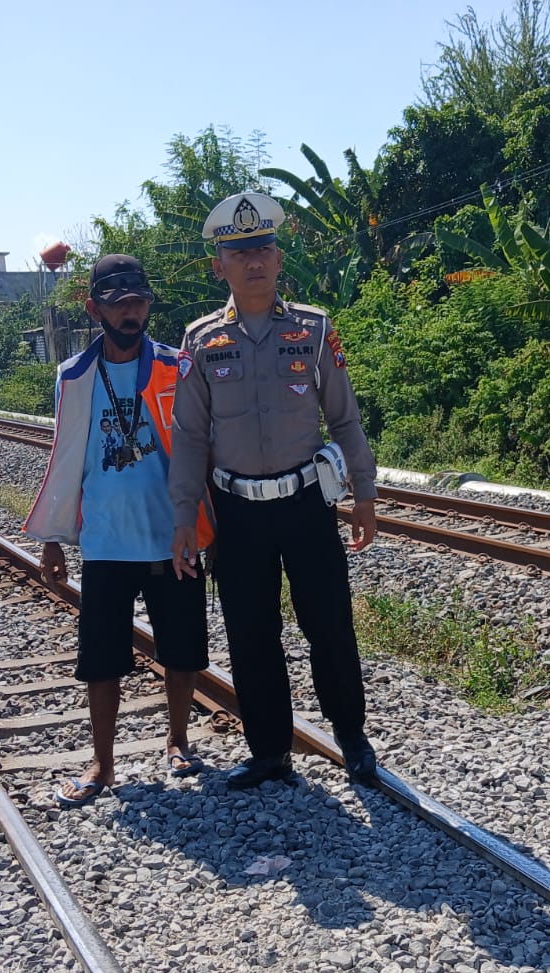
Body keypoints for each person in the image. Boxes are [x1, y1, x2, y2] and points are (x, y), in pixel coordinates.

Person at [168, 191, 381, 790]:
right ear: (220, 266)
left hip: (307, 506)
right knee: (250, 632)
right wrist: (185, 514)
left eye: (262, 248)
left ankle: (351, 737)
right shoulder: (201, 339)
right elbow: (188, 436)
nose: (253, 261)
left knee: (330, 625)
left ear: (279, 256)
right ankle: (269, 752)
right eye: (239, 252)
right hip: (236, 513)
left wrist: (362, 495)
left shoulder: (313, 330)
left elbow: (344, 420)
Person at [23, 254, 214, 805]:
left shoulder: (178, 367)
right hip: (106, 543)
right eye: (118, 303)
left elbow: (202, 451)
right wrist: (53, 537)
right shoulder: (75, 377)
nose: (131, 313)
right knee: (101, 661)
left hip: (171, 537)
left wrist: (210, 529)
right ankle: (102, 765)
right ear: (94, 308)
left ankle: (177, 742)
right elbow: (65, 459)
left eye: (139, 301)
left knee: (182, 652)